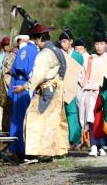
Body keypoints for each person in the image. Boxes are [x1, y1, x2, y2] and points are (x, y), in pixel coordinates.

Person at [13, 24, 69, 162]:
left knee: (34, 119)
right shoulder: (58, 50)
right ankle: (53, 151)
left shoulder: (44, 54)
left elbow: (37, 75)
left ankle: (37, 152)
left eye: (35, 40)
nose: (35, 43)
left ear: (38, 39)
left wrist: (24, 87)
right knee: (54, 121)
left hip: (47, 90)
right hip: (57, 89)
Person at [7, 29, 39, 160]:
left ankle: (18, 149)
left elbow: (15, 71)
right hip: (25, 85)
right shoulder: (34, 51)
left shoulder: (23, 50)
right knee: (25, 119)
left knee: (19, 119)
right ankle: (25, 149)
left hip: (20, 85)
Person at [81, 30, 107, 156]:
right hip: (91, 92)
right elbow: (82, 75)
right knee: (91, 119)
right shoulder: (90, 59)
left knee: (104, 118)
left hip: (104, 93)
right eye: (97, 44)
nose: (99, 46)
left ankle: (103, 146)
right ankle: (93, 145)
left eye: (101, 44)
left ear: (106, 44)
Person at [57, 28, 83, 149]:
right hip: (61, 87)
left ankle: (74, 139)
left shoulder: (78, 56)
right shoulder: (59, 54)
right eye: (61, 42)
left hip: (74, 88)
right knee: (62, 113)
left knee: (72, 113)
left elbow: (82, 73)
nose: (63, 44)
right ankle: (63, 140)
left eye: (65, 41)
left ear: (71, 41)